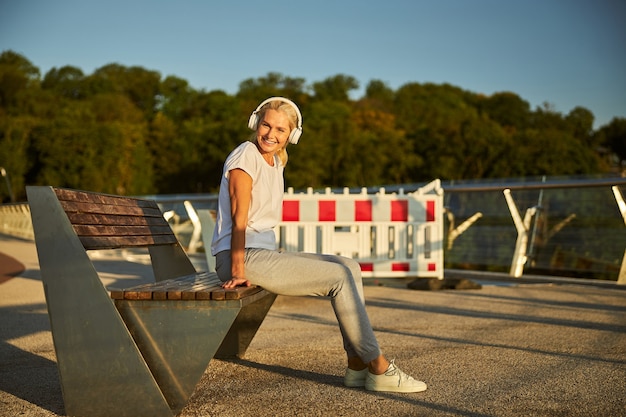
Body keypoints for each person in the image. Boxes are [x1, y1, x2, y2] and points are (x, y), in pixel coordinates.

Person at [211, 97, 427, 393]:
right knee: (338, 278)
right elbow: (238, 219)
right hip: (240, 258)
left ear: (292, 136)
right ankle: (378, 366)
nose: (271, 134)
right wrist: (237, 269)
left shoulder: (274, 162)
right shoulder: (245, 156)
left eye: (281, 130)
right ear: (255, 123)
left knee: (348, 266)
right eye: (266, 125)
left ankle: (355, 365)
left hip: (260, 255)